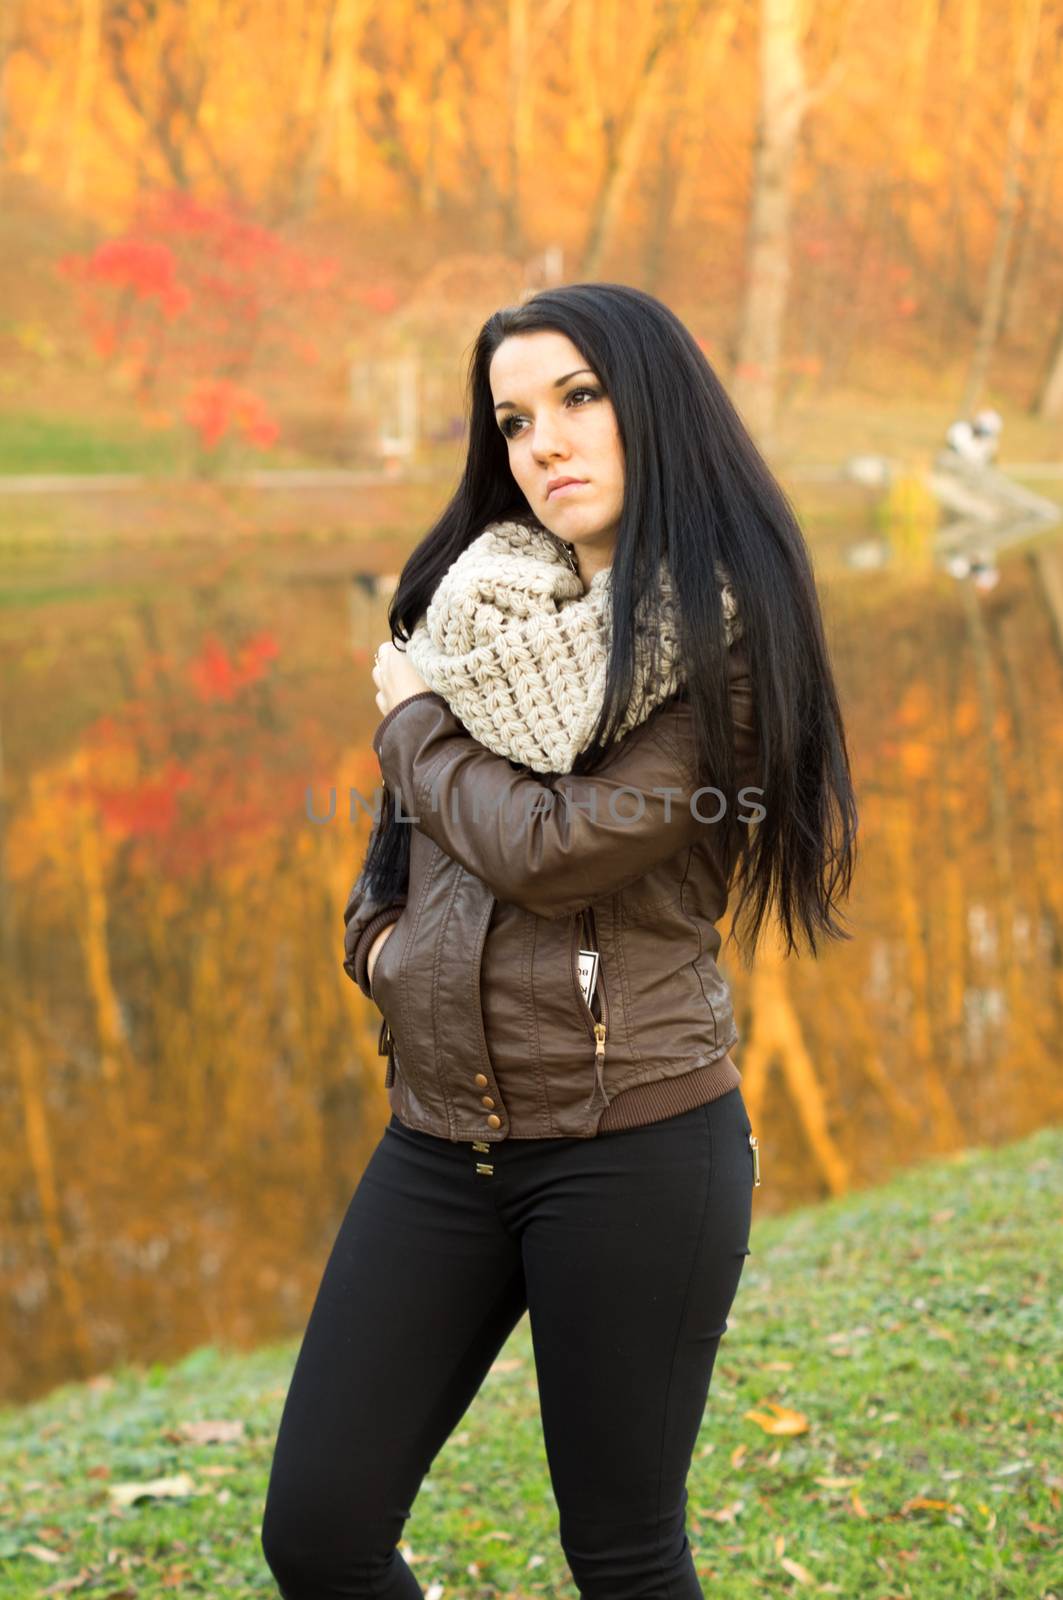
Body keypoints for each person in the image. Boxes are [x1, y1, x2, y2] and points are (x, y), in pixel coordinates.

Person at [261, 282, 858, 1599]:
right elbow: (395, 855)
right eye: (515, 418)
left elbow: (552, 844)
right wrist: (382, 955)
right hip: (439, 1142)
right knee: (318, 1532)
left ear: (653, 406)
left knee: (624, 1553)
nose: (547, 442)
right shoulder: (473, 617)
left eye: (580, 398)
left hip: (634, 1146)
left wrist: (410, 721)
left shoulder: (719, 637)